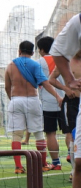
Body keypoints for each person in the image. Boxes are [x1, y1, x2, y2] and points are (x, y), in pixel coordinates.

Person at [4, 40, 62, 175]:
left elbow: (7, 87)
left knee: (17, 135)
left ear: (19, 51)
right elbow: (45, 83)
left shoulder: (10, 66)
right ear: (32, 52)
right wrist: (57, 97)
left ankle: (18, 166)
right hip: (32, 100)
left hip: (16, 100)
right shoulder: (35, 65)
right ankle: (43, 164)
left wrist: (12, 99)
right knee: (38, 133)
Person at [49, 16, 81, 188]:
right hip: (77, 103)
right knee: (79, 162)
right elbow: (57, 51)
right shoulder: (79, 21)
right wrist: (69, 81)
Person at [51, 49, 81, 175]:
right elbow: (51, 79)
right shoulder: (65, 62)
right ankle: (73, 169)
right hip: (71, 102)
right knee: (71, 132)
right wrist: (65, 89)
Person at [37, 36, 64, 170]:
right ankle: (72, 158)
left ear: (41, 50)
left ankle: (56, 163)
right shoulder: (63, 59)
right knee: (70, 132)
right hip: (66, 100)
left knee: (50, 133)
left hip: (48, 103)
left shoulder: (39, 62)